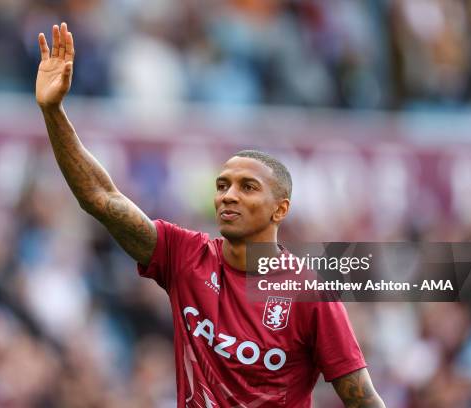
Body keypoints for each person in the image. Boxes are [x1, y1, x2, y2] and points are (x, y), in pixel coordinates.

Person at [36, 22, 386, 408]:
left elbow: (362, 399)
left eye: (247, 188)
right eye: (222, 186)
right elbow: (100, 198)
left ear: (280, 209)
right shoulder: (185, 256)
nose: (228, 196)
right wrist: (53, 112)